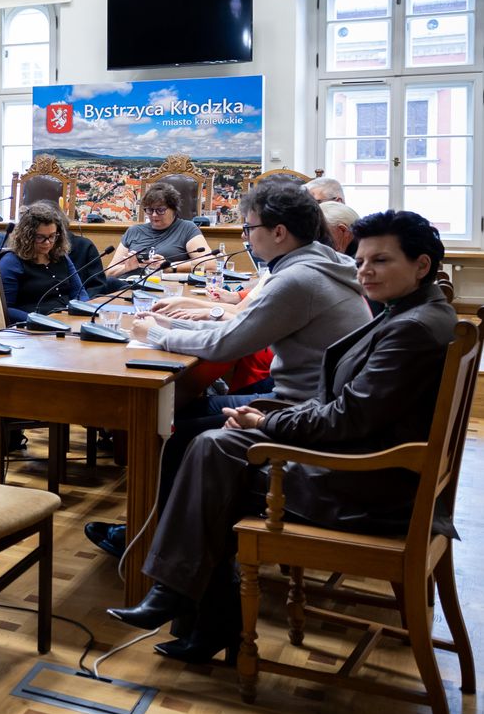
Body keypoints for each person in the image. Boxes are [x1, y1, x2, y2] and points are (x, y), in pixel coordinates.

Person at [107, 211, 456, 664]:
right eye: (362, 259)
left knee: (211, 456)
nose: (364, 271)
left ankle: (186, 602)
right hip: (374, 464)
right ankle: (190, 607)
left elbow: (348, 418)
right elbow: (347, 403)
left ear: (422, 265)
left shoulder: (410, 329)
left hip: (370, 489)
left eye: (380, 261)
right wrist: (266, 417)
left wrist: (267, 424)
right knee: (212, 449)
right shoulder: (419, 311)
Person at [86, 182, 369, 560]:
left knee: (173, 433)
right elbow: (236, 328)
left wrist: (154, 334)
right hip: (317, 404)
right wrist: (170, 328)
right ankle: (160, 528)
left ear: (279, 232)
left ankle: (157, 539)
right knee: (185, 408)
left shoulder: (297, 279)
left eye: (249, 228)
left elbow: (228, 344)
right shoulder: (322, 264)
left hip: (302, 415)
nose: (244, 236)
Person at [0, 202, 88, 323]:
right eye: (40, 237)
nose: (47, 243)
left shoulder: (60, 256)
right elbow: (6, 309)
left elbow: (79, 293)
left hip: (66, 322)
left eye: (52, 236)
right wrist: (40, 320)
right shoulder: (11, 262)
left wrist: (82, 310)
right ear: (27, 237)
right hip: (33, 329)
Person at [105, 182, 212, 280]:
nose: (154, 215)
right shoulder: (134, 231)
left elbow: (210, 263)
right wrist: (126, 267)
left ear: (173, 209)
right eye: (150, 210)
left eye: (160, 210)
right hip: (127, 286)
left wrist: (169, 266)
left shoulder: (187, 228)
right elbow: (108, 273)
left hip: (165, 288)